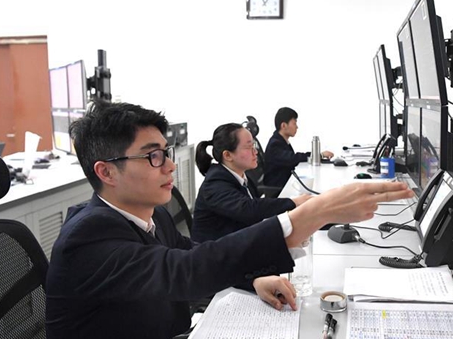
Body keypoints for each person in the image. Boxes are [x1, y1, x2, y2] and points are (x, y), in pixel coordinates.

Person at [45, 99, 412, 339]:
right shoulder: (88, 235)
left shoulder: (152, 215)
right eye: (153, 156)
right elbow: (186, 271)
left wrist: (251, 280)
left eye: (166, 152)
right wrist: (315, 211)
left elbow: (191, 250)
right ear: (106, 172)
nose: (171, 165)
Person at [191, 123, 311, 242]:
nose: (255, 152)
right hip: (215, 256)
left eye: (254, 145)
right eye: (249, 147)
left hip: (236, 243)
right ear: (227, 155)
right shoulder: (215, 183)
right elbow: (249, 209)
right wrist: (293, 202)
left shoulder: (239, 176)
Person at [264, 107, 334, 188]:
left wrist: (316, 156)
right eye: (294, 123)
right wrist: (319, 155)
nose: (297, 127)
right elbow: (293, 158)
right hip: (279, 188)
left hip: (287, 183)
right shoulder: (275, 144)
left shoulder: (281, 141)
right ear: (283, 125)